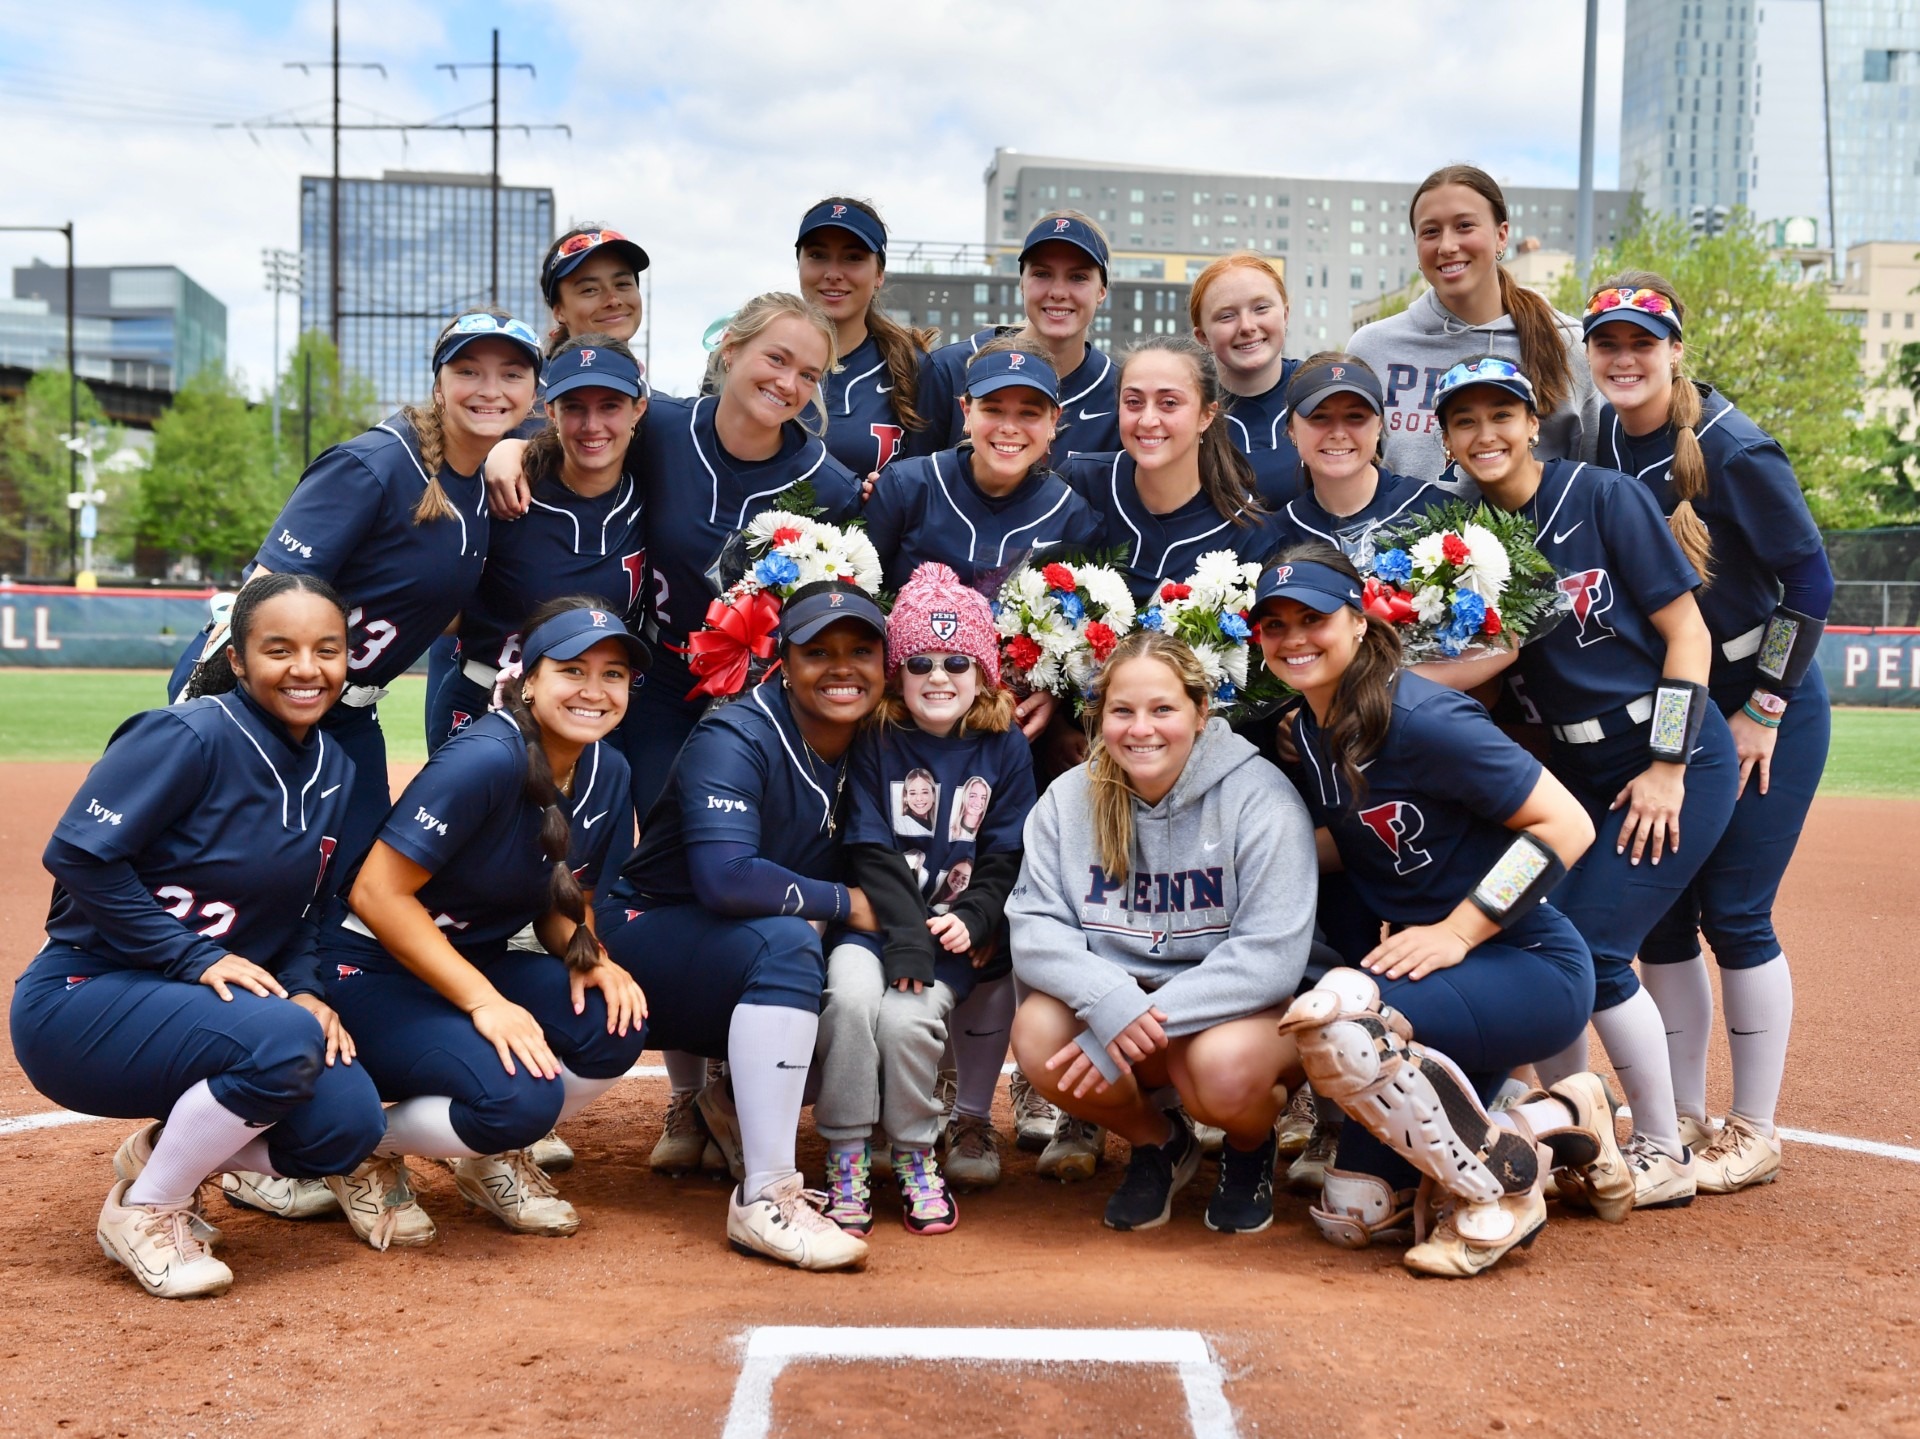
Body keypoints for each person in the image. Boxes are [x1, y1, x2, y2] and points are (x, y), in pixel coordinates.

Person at [1252, 546, 1632, 1275]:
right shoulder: (1306, 724)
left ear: (1358, 623)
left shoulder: (1424, 716)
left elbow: (1565, 826)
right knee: (1353, 1210)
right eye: (1274, 624)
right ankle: (1563, 1118)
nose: (1293, 637)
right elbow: (1352, 846)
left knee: (1344, 1028)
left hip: (1526, 963)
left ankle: (1503, 1193)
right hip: (1451, 985)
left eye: (1313, 618)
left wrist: (1461, 929)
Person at [11, 575, 385, 1298]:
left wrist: (306, 990)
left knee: (345, 1123)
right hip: (84, 994)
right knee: (282, 1043)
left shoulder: (334, 768)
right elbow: (80, 853)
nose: (307, 668)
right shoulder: (189, 733)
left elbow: (308, 909)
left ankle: (164, 1154)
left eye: (327, 650)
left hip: (194, 1006)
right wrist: (194, 954)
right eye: (280, 649)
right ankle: (146, 1210)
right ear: (239, 659)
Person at [1435, 354, 1740, 1210]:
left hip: (1669, 756)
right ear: (1448, 439)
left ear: (1535, 422)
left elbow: (1688, 636)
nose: (1485, 433)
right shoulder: (1460, 535)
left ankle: (1663, 1147)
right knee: (1544, 943)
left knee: (1597, 950)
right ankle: (1581, 1129)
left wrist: (1667, 765)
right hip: (1572, 773)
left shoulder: (1603, 497)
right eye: (1465, 421)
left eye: (1502, 415)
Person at [1584, 273, 1833, 1192]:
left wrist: (1763, 707)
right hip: (1678, 701)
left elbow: (1810, 587)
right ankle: (1681, 1119)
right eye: (1607, 341)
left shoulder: (1732, 448)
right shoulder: (1598, 432)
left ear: (1675, 351)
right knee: (1665, 920)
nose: (1623, 358)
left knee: (1737, 912)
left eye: (1642, 342)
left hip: (1765, 698)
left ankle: (1757, 1128)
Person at [316, 601, 650, 1247]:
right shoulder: (485, 758)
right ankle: (349, 1145)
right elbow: (377, 894)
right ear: (528, 678)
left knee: (616, 1020)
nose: (594, 690)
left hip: (472, 957)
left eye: (613, 674)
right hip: (370, 967)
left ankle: (484, 1152)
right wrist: (486, 1002)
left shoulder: (609, 770)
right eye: (573, 669)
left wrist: (593, 959)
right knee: (520, 1097)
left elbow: (564, 900)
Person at [179, 309, 542, 873]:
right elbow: (260, 602)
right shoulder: (376, 464)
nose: (490, 389)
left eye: (512, 374)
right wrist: (212, 725)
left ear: (533, 392)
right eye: (468, 370)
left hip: (348, 714)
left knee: (356, 880)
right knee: (213, 865)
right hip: (264, 700)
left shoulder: (476, 483)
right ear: (439, 384)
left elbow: (423, 606)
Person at [599, 580, 888, 1273]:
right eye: (818, 651)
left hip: (734, 947)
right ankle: (765, 1196)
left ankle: (725, 1103)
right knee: (793, 941)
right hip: (648, 938)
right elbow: (727, 879)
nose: (841, 667)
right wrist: (847, 902)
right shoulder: (737, 733)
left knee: (860, 983)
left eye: (861, 650)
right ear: (781, 661)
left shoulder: (881, 737)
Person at [1008, 631, 1318, 1235]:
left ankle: (1249, 1147)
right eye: (1122, 711)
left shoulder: (1260, 798)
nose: (1140, 728)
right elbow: (1036, 926)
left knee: (1223, 1072)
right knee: (1040, 1034)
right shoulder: (1068, 799)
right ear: (1100, 717)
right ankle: (1161, 1144)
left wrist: (1133, 1021)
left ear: (1201, 714)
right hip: (1122, 1007)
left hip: (1234, 1013)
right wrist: (1110, 1001)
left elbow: (1270, 957)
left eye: (1163, 709)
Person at [814, 563, 1038, 1231]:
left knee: (909, 1020)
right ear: (895, 672)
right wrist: (903, 933)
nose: (938, 677)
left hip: (945, 934)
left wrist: (973, 915)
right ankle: (848, 1151)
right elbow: (868, 844)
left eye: (956, 662)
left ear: (983, 672)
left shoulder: (1003, 748)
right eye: (919, 663)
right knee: (851, 1001)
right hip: (873, 926)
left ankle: (914, 1150)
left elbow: (1005, 852)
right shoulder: (877, 738)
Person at [428, 336, 647, 751]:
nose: (592, 425)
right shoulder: (506, 492)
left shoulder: (653, 489)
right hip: (487, 704)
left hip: (593, 715)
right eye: (574, 407)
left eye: (610, 406)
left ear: (639, 409)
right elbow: (432, 597)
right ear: (550, 411)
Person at [1347, 165, 1599, 487]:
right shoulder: (1374, 348)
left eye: (1464, 226)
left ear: (1501, 235)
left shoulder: (1570, 344)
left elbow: (1595, 481)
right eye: (1430, 232)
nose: (1447, 245)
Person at [863, 341, 1103, 593]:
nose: (1009, 428)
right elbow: (859, 592)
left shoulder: (1073, 517)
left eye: (1029, 413)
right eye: (993, 409)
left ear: (1053, 419)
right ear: (966, 411)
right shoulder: (907, 487)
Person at [1060, 335, 1280, 606]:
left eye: (1169, 403)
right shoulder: (1080, 483)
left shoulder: (1249, 532)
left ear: (1206, 415)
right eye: (1133, 402)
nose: (1148, 420)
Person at [917, 212, 1119, 459]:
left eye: (1078, 277)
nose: (1057, 292)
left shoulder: (1121, 392)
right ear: (1022, 283)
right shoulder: (950, 368)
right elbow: (914, 484)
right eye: (1042, 274)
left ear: (1101, 291)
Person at [793, 197, 938, 476]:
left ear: (879, 274)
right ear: (799, 264)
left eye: (853, 258)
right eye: (817, 255)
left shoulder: (916, 369)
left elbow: (931, 491)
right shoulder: (756, 359)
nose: (833, 273)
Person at [1267, 353, 1448, 563]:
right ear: (1291, 429)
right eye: (1319, 417)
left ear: (1379, 424)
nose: (1338, 433)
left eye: (1355, 416)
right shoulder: (1276, 536)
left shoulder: (1436, 509)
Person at [1189, 252, 1303, 508]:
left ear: (1285, 315)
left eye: (1261, 308)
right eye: (1226, 316)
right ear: (1202, 336)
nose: (1247, 326)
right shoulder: (1185, 411)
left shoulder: (1322, 390)